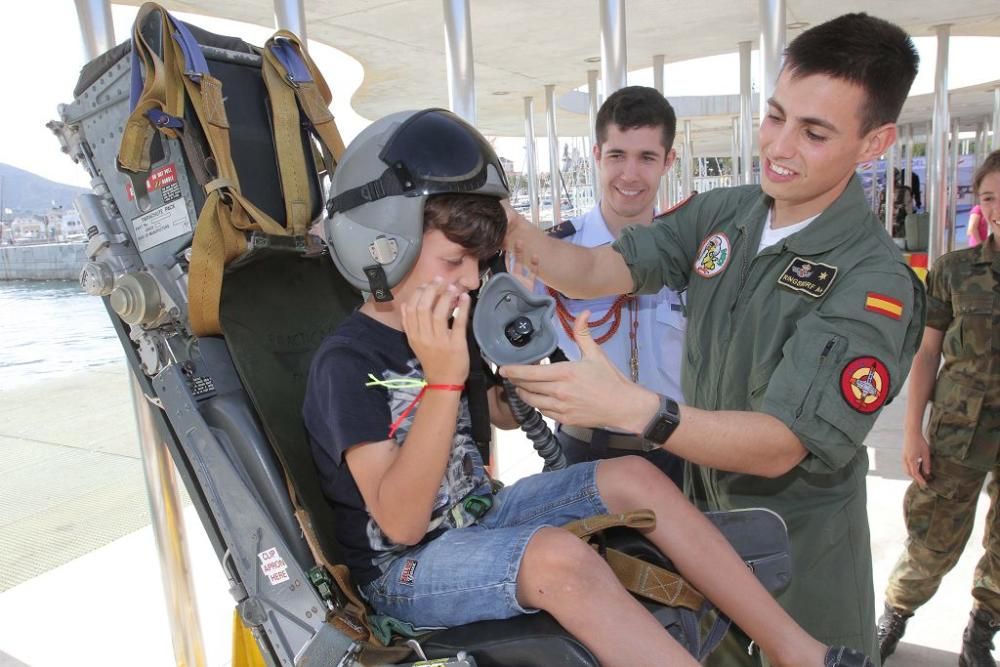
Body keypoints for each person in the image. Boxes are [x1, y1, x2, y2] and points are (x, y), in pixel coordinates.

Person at [304, 108, 874, 667]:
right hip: (405, 568)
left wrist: (529, 374)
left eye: (478, 263)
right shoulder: (347, 362)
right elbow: (401, 525)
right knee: (558, 559)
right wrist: (444, 379)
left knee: (633, 475)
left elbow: (492, 420)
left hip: (478, 517)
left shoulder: (451, 326)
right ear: (382, 248)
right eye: (455, 261)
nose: (473, 280)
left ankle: (792, 648)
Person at [501, 13, 926, 664]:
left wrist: (631, 408)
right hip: (703, 543)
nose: (779, 147)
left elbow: (782, 444)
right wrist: (505, 223)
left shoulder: (876, 284)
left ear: (876, 142)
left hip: (800, 563)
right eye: (776, 116)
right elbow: (590, 270)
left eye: (814, 132)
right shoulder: (727, 215)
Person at [877, 150, 1000, 667]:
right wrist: (912, 432)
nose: (997, 206)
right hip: (958, 431)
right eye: (989, 196)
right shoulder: (954, 270)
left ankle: (981, 631)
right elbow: (927, 353)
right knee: (932, 538)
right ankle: (893, 616)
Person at [530, 85, 686, 486]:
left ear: (668, 161)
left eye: (647, 157)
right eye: (617, 155)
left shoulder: (695, 254)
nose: (630, 175)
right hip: (582, 456)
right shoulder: (554, 254)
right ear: (596, 155)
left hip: (681, 455)